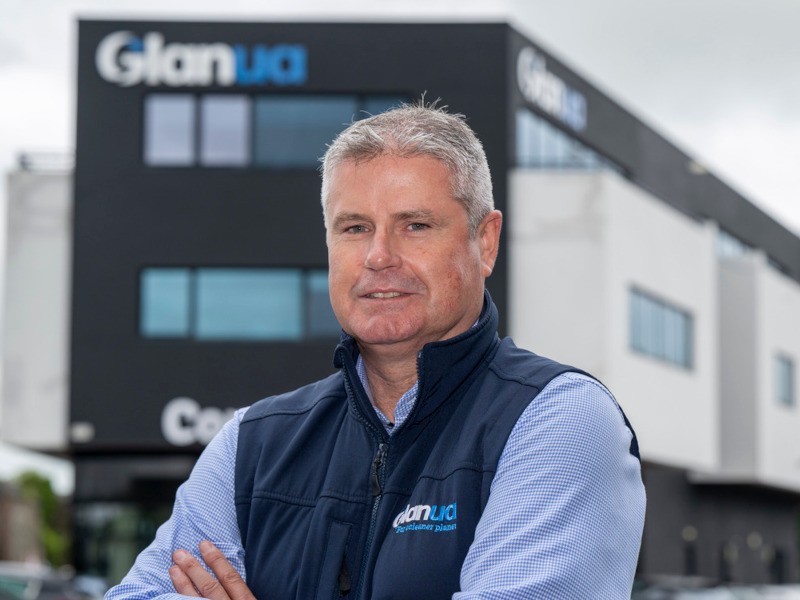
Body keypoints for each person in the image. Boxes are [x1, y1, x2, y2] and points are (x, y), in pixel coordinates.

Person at [106, 103, 645, 600]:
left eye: (415, 226)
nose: (378, 256)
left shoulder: (558, 420)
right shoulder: (252, 445)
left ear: (486, 241)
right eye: (355, 228)